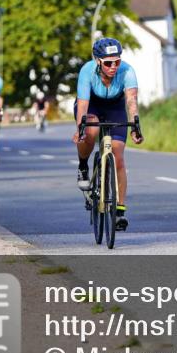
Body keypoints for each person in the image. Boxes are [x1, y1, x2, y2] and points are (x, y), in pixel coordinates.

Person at [72, 37, 143, 232]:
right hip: (92, 104)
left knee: (118, 157)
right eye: (108, 63)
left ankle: (119, 211)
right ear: (98, 61)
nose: (114, 66)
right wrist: (80, 129)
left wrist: (136, 124)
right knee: (91, 129)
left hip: (115, 107)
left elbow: (131, 101)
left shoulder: (127, 71)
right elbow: (83, 104)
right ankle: (83, 166)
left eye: (117, 61)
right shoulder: (87, 71)